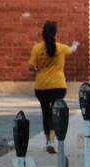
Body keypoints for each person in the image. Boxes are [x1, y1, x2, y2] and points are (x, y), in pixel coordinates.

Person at [28, 21, 79, 154]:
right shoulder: (60, 48)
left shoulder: (37, 48)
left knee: (46, 113)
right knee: (55, 113)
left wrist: (37, 69)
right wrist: (75, 44)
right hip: (58, 86)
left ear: (43, 34)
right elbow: (72, 50)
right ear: (55, 34)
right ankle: (51, 141)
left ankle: (48, 141)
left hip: (41, 86)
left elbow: (31, 66)